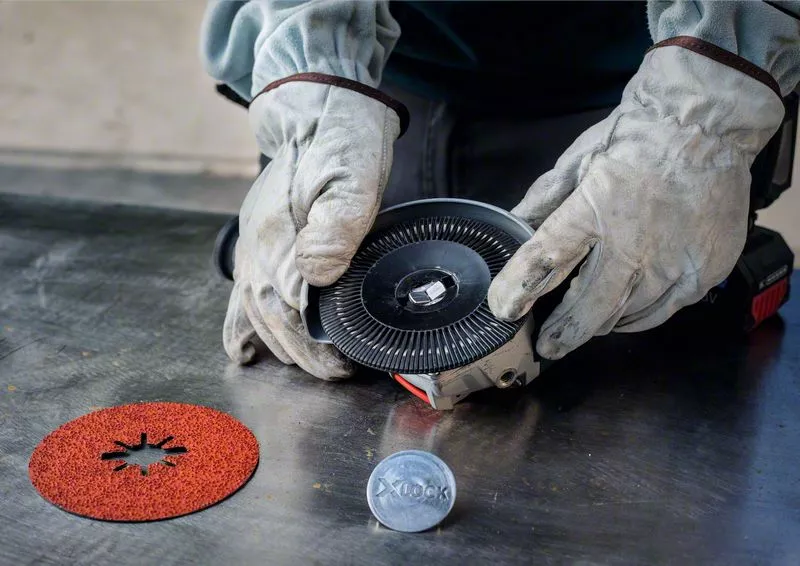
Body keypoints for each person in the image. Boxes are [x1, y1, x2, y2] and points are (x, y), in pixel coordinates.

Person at [200, 0, 800, 380]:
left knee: (631, 368)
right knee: (325, 298)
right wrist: (310, 89)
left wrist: (703, 118)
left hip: (651, 106)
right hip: (375, 96)